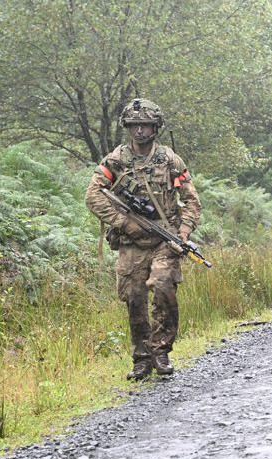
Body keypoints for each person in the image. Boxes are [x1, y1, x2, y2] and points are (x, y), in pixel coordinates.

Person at [85, 99, 202, 381]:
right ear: (128, 127)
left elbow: (191, 201)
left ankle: (161, 352)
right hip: (131, 242)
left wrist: (183, 234)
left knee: (163, 288)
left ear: (155, 128)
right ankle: (142, 358)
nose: (140, 131)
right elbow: (93, 195)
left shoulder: (169, 160)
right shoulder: (116, 160)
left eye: (145, 125)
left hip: (165, 238)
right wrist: (124, 223)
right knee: (134, 298)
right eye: (135, 125)